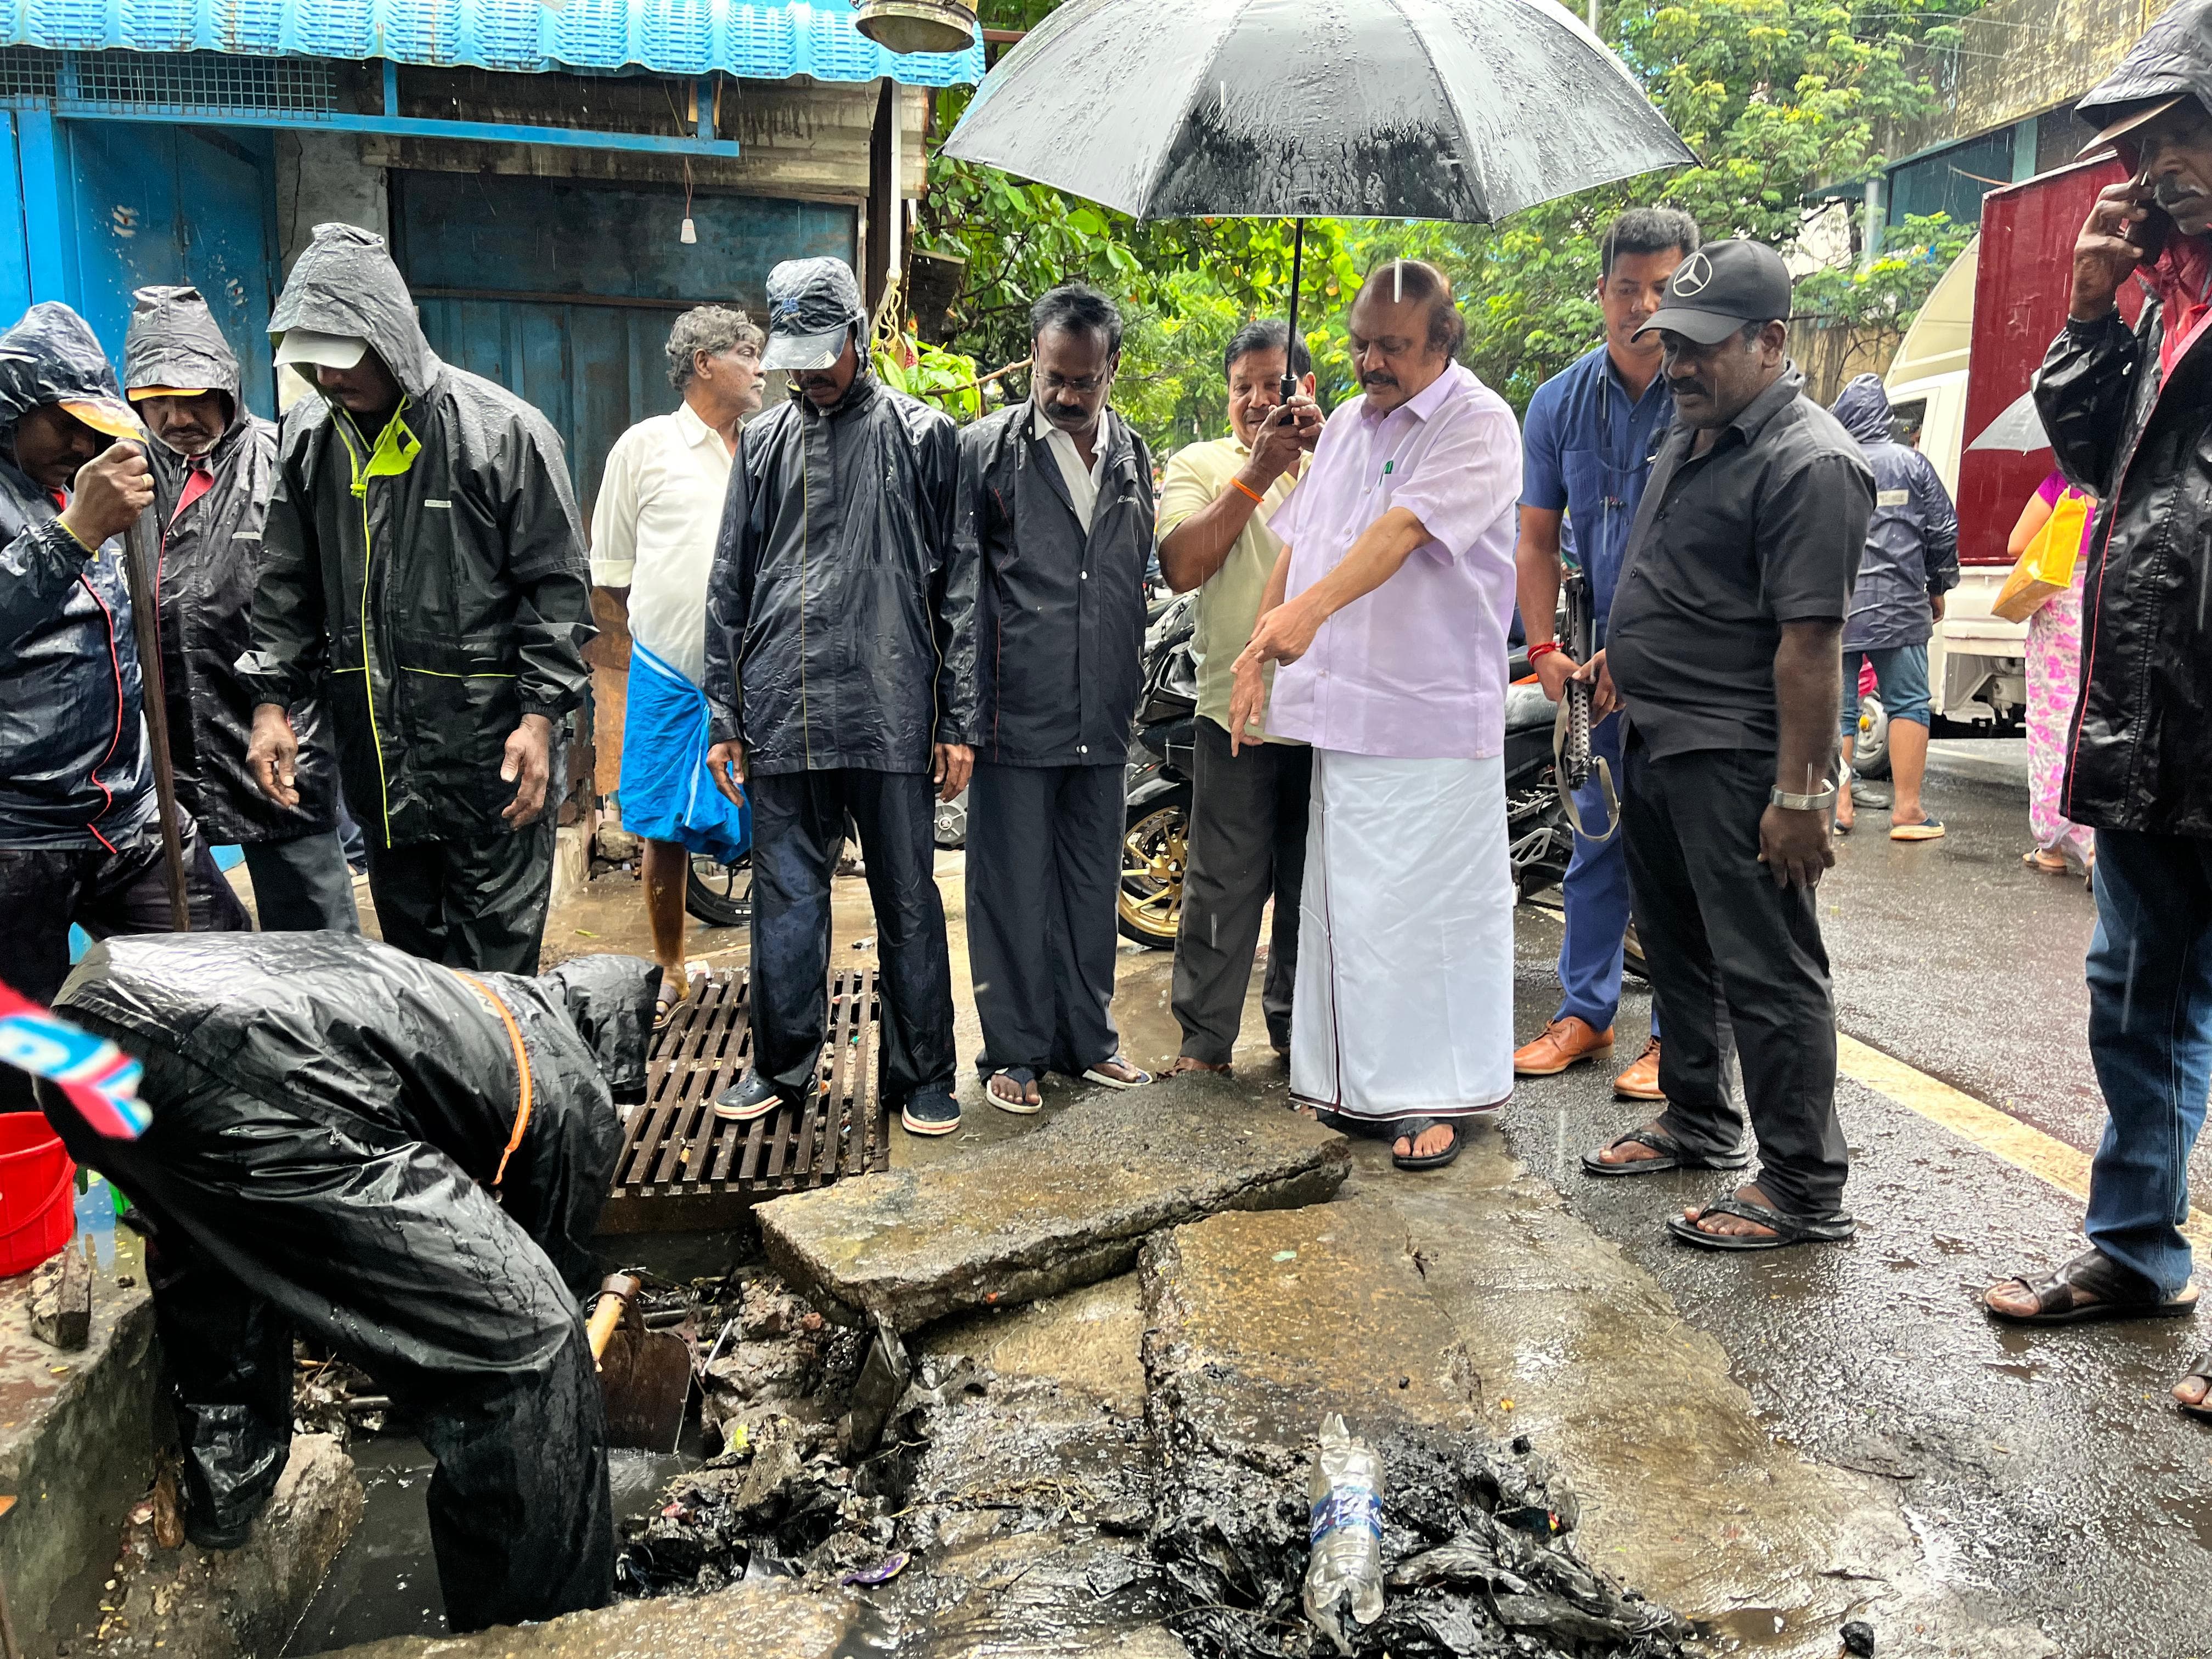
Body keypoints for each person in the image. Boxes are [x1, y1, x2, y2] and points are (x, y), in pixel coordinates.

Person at [39, 931, 655, 1630]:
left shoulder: (479, 996)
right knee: (527, 1352)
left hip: (91, 1016)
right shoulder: (575, 1081)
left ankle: (230, 1481)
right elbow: (548, 1271)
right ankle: (540, 1634)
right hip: (233, 1066)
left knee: (214, 1237)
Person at [1985, 16, 2212, 1428]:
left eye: (2172, 141)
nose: (2154, 176)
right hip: (2154, 721)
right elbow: (2085, 465)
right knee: (2136, 998)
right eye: (2138, 157)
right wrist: (2087, 305)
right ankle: (2137, 1253)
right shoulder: (2166, 302)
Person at [1592, 240, 1875, 1247]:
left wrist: (1798, 796)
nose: (1679, 365)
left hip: (1737, 752)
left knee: (1768, 966)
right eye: (1672, 344)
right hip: (1657, 737)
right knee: (1676, 952)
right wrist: (1620, 655)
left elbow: (1811, 643)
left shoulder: (1811, 461)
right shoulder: (1699, 428)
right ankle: (1699, 1118)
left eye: (1703, 347)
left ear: (1770, 340)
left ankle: (1802, 1183)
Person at [1230, 259, 1521, 1172]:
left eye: (1391, 346)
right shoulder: (1349, 424)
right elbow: (1301, 543)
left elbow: (1398, 533)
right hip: (1344, 714)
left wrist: (1306, 617)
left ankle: (1430, 1092)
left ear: (1441, 341)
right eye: (1359, 343)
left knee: (1425, 916)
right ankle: (1350, 1081)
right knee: (1350, 911)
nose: (1369, 362)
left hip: (1429, 715)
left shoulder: (1478, 423)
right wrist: (1257, 647)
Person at [241, 222, 593, 974]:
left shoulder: (502, 434)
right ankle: (439, 1093)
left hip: (490, 757)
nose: (331, 380)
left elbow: (557, 592)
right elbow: (285, 582)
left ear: (392, 337)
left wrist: (541, 720)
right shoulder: (309, 439)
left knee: (495, 967)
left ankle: (504, 1092)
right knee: (414, 968)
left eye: (345, 360)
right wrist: (272, 704)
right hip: (381, 762)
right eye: (315, 364)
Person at [702, 258, 973, 1137]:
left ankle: (923, 1072)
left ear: (859, 336)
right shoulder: (767, 443)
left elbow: (961, 587)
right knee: (784, 902)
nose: (811, 374)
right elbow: (730, 582)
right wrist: (725, 715)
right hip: (783, 710)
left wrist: (957, 719)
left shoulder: (925, 436)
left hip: (891, 707)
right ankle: (780, 1066)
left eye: (825, 353)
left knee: (907, 901)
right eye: (797, 358)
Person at [0, 301, 250, 1113]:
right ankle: (43, 1206)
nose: (83, 443)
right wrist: (74, 531)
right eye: (64, 426)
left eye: (90, 425)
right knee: (23, 1047)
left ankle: (201, 1163)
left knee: (229, 985)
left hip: (129, 816)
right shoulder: (73, 503)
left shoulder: (82, 479)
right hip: (18, 834)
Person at [1513, 207, 1700, 1101]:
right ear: (1599, 292)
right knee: (1593, 835)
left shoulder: (1708, 390)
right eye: (1626, 287)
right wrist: (1545, 645)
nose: (1642, 305)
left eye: (1662, 288)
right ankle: (1584, 1013)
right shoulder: (1556, 401)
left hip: (1686, 661)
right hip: (1590, 659)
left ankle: (1677, 1034)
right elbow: (1538, 539)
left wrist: (1647, 646)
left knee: (1679, 845)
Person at [960, 285, 1157, 1111]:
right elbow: (961, 590)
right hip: (1015, 709)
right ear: (1033, 362)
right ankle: (1014, 1051)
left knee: (1088, 882)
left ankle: (1090, 1041)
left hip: (1103, 712)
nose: (1067, 395)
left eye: (1085, 380)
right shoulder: (986, 451)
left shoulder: (1133, 454)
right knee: (1012, 885)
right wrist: (958, 719)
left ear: (1112, 370)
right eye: (1053, 377)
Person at [122, 285, 359, 934]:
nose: (176, 418)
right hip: (164, 739)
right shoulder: (125, 471)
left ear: (227, 387)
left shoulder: (282, 459)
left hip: (271, 726)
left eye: (194, 396)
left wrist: (287, 704)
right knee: (180, 927)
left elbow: (323, 599)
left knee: (312, 919)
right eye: (156, 401)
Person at [1154, 320, 1323, 1076]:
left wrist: (1317, 460)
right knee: (1222, 885)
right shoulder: (1201, 462)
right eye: (1242, 387)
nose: (1257, 400)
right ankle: (1205, 1042)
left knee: (1313, 892)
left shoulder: (1346, 455)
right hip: (1235, 709)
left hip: (1333, 713)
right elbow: (1182, 566)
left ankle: (1299, 1037)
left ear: (1307, 389)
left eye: (1274, 385)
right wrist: (1256, 472)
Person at [590, 306, 764, 1025]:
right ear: (703, 363)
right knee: (660, 826)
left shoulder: (768, 446)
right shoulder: (646, 448)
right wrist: (661, 640)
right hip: (668, 670)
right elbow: (613, 572)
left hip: (760, 673)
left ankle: (778, 968)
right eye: (746, 352)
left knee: (777, 821)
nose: (761, 367)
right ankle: (669, 966)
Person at [1826, 373, 1959, 840]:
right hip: (1900, 606)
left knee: (1836, 712)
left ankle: (1838, 807)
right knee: (1908, 704)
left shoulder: (1830, 461)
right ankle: (1908, 811)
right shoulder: (1913, 465)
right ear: (1884, 417)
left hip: (1836, 606)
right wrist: (1940, 584)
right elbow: (1943, 530)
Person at [2008, 470, 2098, 877]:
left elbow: (2017, 544)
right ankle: (2101, 844)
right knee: (2097, 721)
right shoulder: (2131, 482)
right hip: (2105, 608)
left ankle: (2053, 844)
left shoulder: (2063, 485)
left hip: (2059, 609)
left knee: (2052, 725)